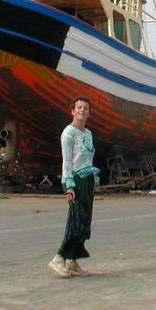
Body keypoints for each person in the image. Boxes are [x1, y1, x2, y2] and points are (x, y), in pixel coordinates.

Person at [49, 97, 100, 278]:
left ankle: (71, 260)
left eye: (86, 108)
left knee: (85, 223)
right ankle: (59, 258)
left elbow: (89, 158)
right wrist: (68, 185)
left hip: (88, 180)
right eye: (79, 107)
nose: (82, 110)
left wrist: (94, 179)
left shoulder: (88, 133)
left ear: (89, 113)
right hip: (76, 180)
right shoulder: (68, 133)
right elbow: (67, 161)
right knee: (76, 221)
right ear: (72, 111)